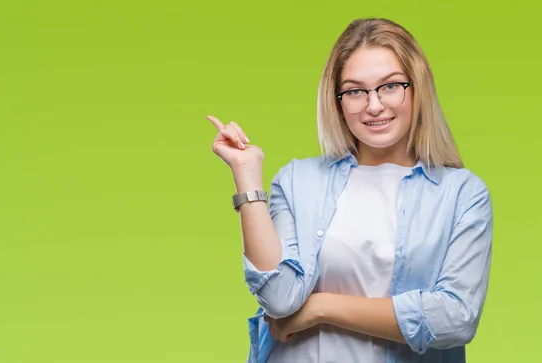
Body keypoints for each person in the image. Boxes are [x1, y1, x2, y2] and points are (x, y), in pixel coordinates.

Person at [206, 18, 493, 363]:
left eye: (390, 86)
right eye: (356, 91)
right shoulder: (299, 180)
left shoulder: (462, 194)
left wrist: (320, 308)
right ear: (338, 101)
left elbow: (455, 319)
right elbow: (279, 298)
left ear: (418, 88)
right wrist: (246, 173)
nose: (373, 106)